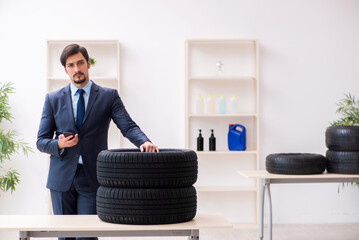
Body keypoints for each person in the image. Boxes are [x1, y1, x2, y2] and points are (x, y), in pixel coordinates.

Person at [37, 44, 159, 240]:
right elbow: (41, 141)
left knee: (87, 236)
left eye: (80, 63)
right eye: (71, 65)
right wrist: (58, 145)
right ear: (66, 69)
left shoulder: (108, 96)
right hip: (61, 182)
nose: (77, 69)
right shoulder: (52, 99)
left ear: (88, 64)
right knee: (64, 237)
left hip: (92, 178)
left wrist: (143, 142)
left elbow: (127, 126)